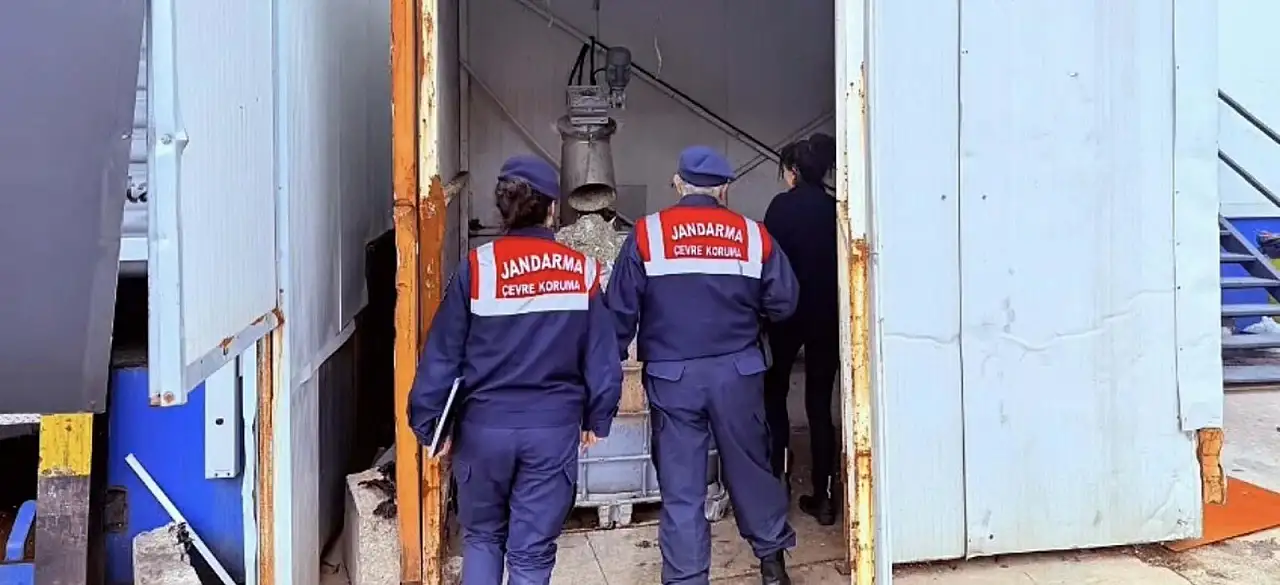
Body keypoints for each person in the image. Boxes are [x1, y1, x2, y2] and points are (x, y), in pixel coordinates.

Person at [408, 155, 623, 585]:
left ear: (502, 208)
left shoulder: (477, 268)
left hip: (483, 432)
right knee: (530, 555)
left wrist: (431, 424)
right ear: (551, 210)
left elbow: (442, 354)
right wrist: (597, 417)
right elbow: (603, 355)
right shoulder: (582, 272)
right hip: (551, 432)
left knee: (483, 539)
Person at [606, 146, 800, 585]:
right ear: (724, 189)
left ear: (678, 184)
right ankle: (772, 565)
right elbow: (785, 301)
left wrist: (603, 377)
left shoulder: (648, 234)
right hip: (738, 374)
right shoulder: (753, 235)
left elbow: (618, 313)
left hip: (672, 377)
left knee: (682, 488)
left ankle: (687, 578)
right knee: (751, 469)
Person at [761, 138, 841, 526]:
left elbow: (769, 261)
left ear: (793, 171)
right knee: (820, 403)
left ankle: (778, 483)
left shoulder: (780, 208)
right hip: (827, 314)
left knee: (775, 393)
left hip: (786, 313)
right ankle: (824, 497)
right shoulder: (836, 209)